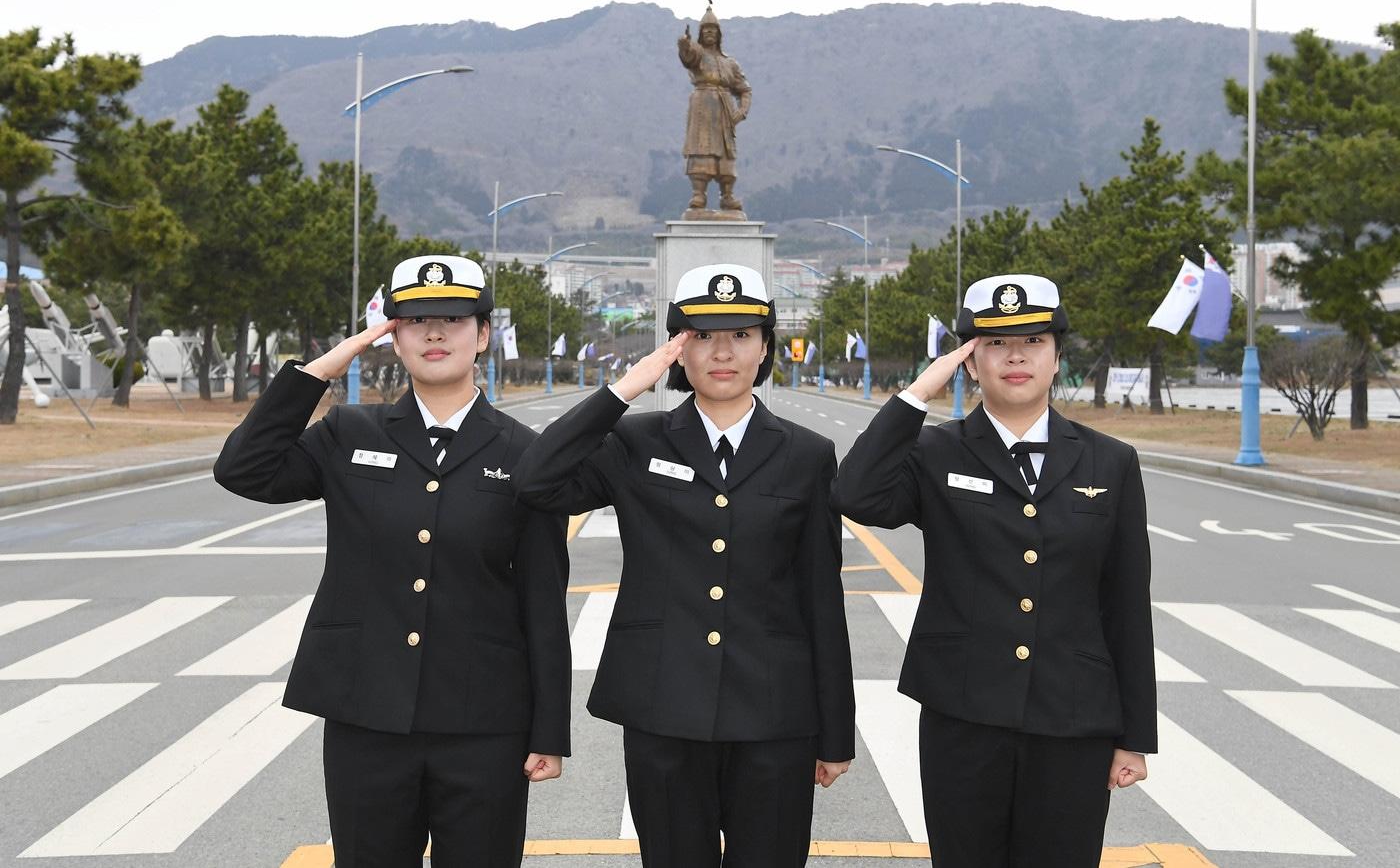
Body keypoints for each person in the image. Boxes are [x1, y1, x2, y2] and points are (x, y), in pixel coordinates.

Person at [214, 255, 570, 868]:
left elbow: (542, 596)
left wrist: (549, 730)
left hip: (484, 724)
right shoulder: (350, 433)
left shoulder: (525, 453)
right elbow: (244, 469)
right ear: (392, 334)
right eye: (415, 320)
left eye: (454, 320)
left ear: (483, 335)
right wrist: (326, 367)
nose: (435, 334)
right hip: (366, 715)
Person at [514, 263, 855, 868]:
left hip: (775, 715)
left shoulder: (807, 455)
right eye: (702, 336)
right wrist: (623, 391)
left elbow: (821, 597)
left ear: (765, 347)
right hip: (662, 707)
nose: (722, 351)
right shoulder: (636, 443)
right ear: (677, 351)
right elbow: (536, 481)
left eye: (741, 335)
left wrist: (834, 732)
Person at [834, 274, 1155, 868]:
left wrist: (1134, 734)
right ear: (969, 362)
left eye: (1033, 341)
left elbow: (1126, 602)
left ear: (1058, 357)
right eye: (993, 343)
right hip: (964, 712)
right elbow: (855, 494)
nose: (1015, 356)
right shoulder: (936, 451)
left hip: (1074, 719)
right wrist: (917, 395)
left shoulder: (1111, 462)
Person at [677, 6, 752, 213]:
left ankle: (727, 195)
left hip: (725, 109)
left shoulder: (731, 63)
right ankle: (698, 194)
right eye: (706, 29)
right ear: (701, 33)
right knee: (701, 148)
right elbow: (688, 57)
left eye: (713, 29)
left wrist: (742, 111)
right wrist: (684, 45)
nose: (709, 32)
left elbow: (745, 90)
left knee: (727, 153)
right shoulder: (698, 56)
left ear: (719, 34)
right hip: (702, 105)